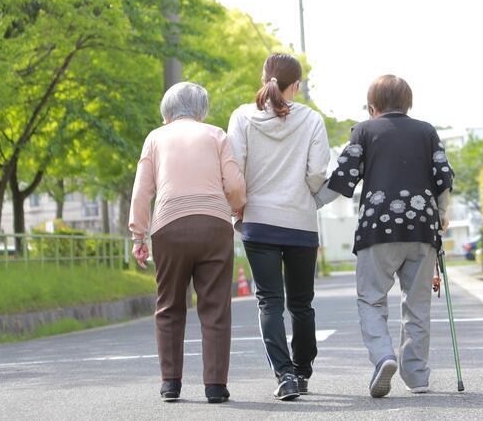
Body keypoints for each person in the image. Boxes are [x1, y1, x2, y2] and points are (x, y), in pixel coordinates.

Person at [315, 75, 454, 398]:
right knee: (417, 304)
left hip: (378, 227)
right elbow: (443, 178)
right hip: (422, 226)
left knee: (372, 298)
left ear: (371, 107)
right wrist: (442, 213)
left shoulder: (364, 130)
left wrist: (311, 204)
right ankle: (417, 376)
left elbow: (343, 178)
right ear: (409, 104)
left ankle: (383, 357)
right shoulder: (427, 131)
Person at [129, 82, 246, 403]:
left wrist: (138, 234)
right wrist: (236, 206)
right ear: (201, 110)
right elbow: (234, 183)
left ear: (166, 113)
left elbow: (142, 191)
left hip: (169, 227)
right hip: (214, 226)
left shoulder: (154, 138)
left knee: (168, 306)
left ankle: (170, 383)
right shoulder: (216, 134)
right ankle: (215, 386)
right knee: (215, 307)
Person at [227, 53, 330, 400]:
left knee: (269, 302)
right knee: (302, 303)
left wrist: (239, 209)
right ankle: (302, 372)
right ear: (296, 85)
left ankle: (284, 376)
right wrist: (306, 197)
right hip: (300, 223)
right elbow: (317, 173)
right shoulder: (311, 120)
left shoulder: (242, 116)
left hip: (258, 222)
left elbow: (234, 171)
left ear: (264, 78)